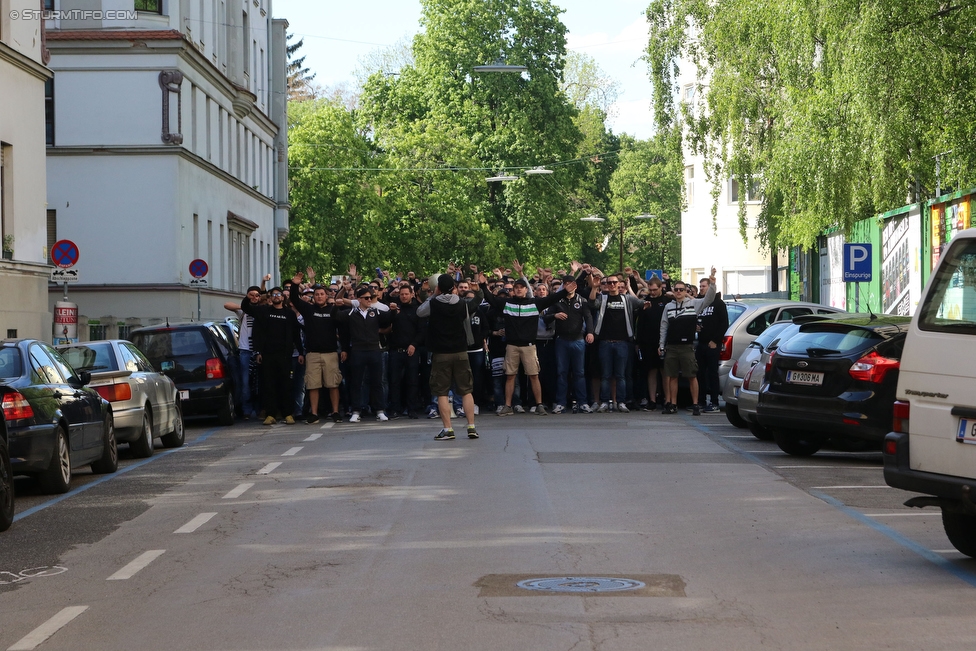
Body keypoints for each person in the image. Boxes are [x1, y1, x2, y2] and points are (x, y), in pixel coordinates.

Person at [478, 261, 571, 416]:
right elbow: (491, 299)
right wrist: (482, 286)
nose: (519, 290)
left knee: (534, 376)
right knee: (510, 376)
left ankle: (539, 405)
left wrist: (565, 291)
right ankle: (508, 406)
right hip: (512, 346)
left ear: (526, 290)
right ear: (513, 291)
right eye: (516, 288)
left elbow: (552, 298)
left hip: (529, 346)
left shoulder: (535, 303)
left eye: (522, 288)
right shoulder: (507, 303)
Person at [417, 273, 479, 440]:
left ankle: (448, 429)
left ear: (437, 288)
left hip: (441, 353)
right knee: (466, 390)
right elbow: (468, 316)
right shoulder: (461, 303)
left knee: (442, 392)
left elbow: (419, 312)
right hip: (460, 351)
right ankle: (471, 427)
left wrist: (433, 296)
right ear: (454, 287)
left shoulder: (434, 303)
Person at [241, 286, 305, 425]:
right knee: (268, 385)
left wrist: (300, 352)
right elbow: (246, 308)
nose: (276, 296)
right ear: (270, 298)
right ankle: (270, 414)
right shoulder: (263, 311)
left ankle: (287, 413)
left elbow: (296, 335)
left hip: (285, 355)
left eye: (279, 294)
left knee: (286, 384)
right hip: (267, 355)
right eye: (273, 294)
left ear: (283, 297)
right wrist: (249, 297)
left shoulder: (289, 314)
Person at [659, 267, 717, 416]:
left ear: (686, 291)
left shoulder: (693, 304)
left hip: (687, 347)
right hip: (672, 346)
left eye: (681, 289)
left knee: (692, 375)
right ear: (673, 291)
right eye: (676, 289)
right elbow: (664, 326)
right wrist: (661, 344)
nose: (678, 292)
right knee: (672, 376)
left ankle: (696, 404)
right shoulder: (668, 307)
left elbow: (709, 299)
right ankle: (672, 403)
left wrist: (712, 283)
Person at [288, 273, 344, 424]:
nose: (319, 296)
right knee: (313, 385)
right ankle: (313, 413)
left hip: (331, 353)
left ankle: (336, 411)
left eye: (322, 294)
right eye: (317, 294)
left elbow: (343, 329)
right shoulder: (308, 309)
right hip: (312, 354)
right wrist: (294, 285)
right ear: (313, 297)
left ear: (326, 296)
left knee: (333, 384)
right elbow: (294, 299)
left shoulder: (332, 310)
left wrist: (344, 349)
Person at [589, 273, 647, 413]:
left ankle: (621, 402)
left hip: (622, 343)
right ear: (607, 285)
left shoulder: (627, 299)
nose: (612, 285)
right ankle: (604, 402)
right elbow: (591, 304)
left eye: (615, 282)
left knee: (621, 375)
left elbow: (642, 302)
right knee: (606, 375)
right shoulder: (602, 298)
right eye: (609, 283)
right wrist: (594, 287)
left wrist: (642, 299)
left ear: (619, 284)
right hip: (605, 343)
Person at [336, 286, 393, 422]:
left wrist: (394, 310)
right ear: (359, 299)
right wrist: (344, 289)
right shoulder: (351, 313)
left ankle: (380, 410)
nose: (370, 300)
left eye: (371, 297)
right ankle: (356, 410)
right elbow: (337, 306)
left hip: (374, 350)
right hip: (358, 350)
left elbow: (389, 319)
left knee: (377, 381)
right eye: (366, 298)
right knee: (357, 382)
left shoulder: (375, 312)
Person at [545, 273, 595, 414]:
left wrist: (590, 332)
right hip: (562, 340)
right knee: (562, 373)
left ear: (576, 286)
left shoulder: (582, 301)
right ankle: (561, 403)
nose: (569, 286)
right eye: (566, 284)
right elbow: (545, 318)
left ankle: (583, 402)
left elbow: (588, 317)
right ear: (563, 285)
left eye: (572, 284)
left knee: (579, 373)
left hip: (578, 340)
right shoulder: (557, 301)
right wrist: (554, 315)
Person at [634, 276, 670, 411]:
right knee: (651, 371)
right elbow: (640, 324)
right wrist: (638, 342)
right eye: (650, 290)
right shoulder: (645, 302)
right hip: (647, 342)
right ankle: (652, 400)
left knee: (665, 371)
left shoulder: (667, 301)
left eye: (655, 290)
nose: (653, 292)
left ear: (661, 288)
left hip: (663, 341)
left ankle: (668, 400)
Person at [695, 276, 729, 413]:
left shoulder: (719, 304)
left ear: (710, 287)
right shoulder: (700, 303)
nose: (701, 288)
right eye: (700, 286)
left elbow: (724, 324)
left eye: (704, 286)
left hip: (713, 345)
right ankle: (701, 401)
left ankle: (714, 402)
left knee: (712, 374)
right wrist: (695, 326)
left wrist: (715, 340)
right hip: (701, 343)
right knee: (700, 374)